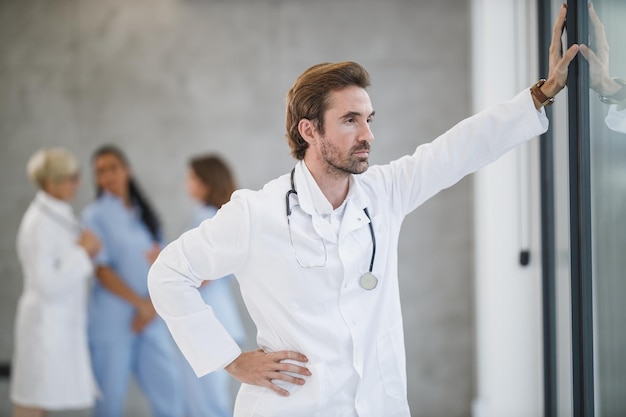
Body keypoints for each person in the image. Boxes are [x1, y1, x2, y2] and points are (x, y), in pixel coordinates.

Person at [147, 5, 579, 416]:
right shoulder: (256, 213)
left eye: (370, 118)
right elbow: (168, 273)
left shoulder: (384, 193)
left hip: (377, 404)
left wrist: (541, 94)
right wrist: (231, 360)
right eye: (351, 120)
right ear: (309, 130)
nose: (368, 134)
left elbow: (458, 150)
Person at [81, 145, 183, 417]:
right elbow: (101, 271)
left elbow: (163, 263)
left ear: (126, 170)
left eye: (112, 168)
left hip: (151, 320)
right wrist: (140, 305)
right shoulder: (94, 216)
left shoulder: (144, 214)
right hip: (113, 323)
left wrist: (150, 307)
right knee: (109, 404)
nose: (107, 176)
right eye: (100, 172)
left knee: (169, 393)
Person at [11, 148, 101, 417]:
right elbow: (47, 284)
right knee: (33, 399)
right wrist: (83, 251)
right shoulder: (39, 222)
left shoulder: (57, 214)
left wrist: (84, 251)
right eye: (72, 178)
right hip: (44, 323)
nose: (78, 183)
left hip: (58, 323)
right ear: (52, 182)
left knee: (45, 397)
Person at [181, 154, 248, 417]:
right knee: (208, 400)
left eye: (191, 178)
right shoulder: (222, 216)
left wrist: (165, 263)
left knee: (206, 404)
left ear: (206, 182)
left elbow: (204, 273)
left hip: (208, 321)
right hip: (219, 319)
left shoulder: (206, 219)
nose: (186, 184)